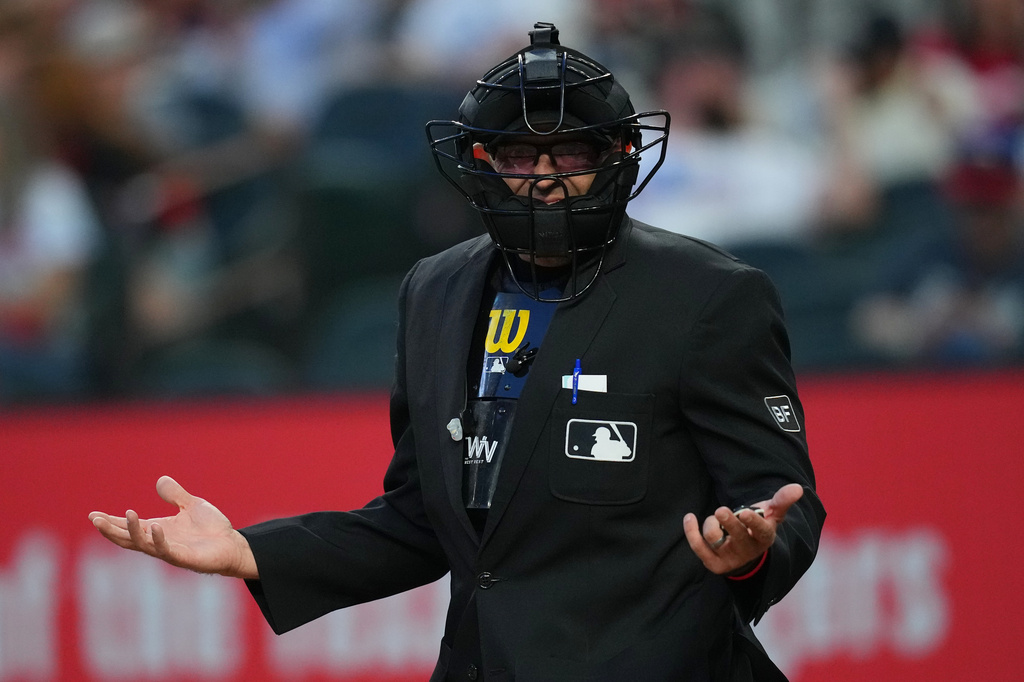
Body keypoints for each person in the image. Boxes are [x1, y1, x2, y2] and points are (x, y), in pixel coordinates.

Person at [89, 23, 825, 681]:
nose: (544, 180)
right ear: (480, 166)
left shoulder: (709, 297)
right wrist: (251, 552)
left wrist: (753, 549)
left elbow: (782, 499)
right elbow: (418, 521)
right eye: (518, 157)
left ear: (618, 159)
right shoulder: (434, 292)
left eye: (569, 151)